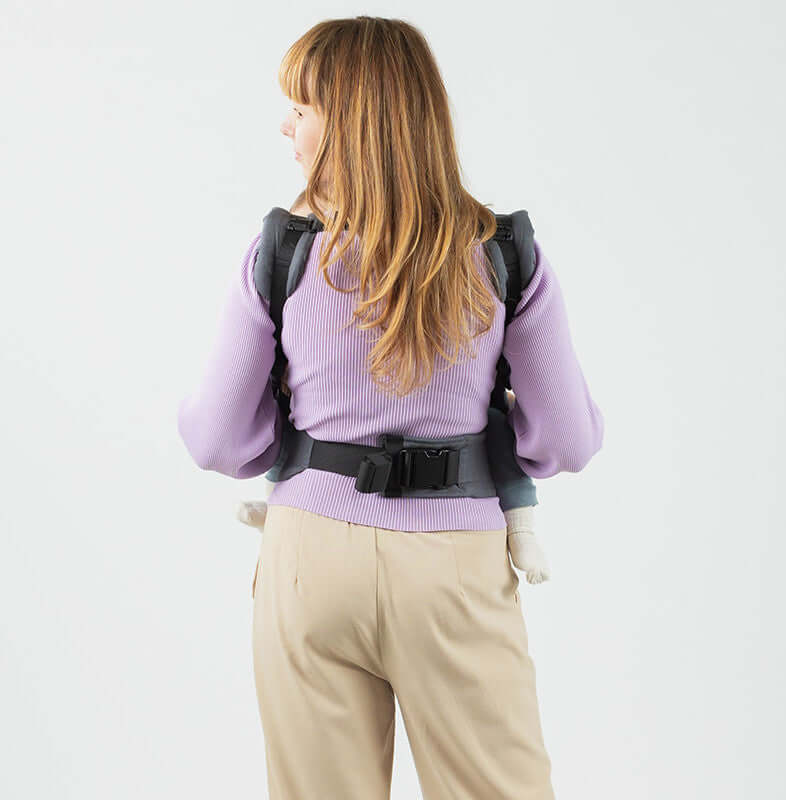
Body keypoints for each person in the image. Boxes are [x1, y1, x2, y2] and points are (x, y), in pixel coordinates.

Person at [177, 15, 604, 800]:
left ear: (348, 121)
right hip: (456, 564)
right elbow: (568, 442)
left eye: (300, 109)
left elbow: (216, 441)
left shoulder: (281, 252)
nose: (286, 127)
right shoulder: (504, 252)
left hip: (309, 560)